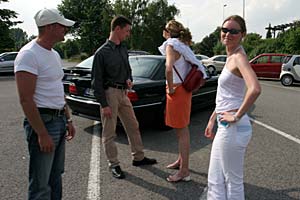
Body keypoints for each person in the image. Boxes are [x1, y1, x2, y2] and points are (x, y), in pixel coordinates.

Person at [14, 8, 76, 200]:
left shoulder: (54, 54)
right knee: (40, 185)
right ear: (50, 27)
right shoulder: (28, 55)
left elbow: (57, 89)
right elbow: (26, 99)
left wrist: (69, 119)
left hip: (57, 120)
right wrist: (41, 133)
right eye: (62, 25)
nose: (66, 29)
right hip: (44, 122)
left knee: (55, 177)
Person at [91, 15, 157, 179]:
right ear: (117, 29)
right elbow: (96, 81)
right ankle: (114, 164)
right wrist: (104, 104)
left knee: (133, 125)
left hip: (123, 93)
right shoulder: (102, 53)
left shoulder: (122, 48)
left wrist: (130, 80)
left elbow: (128, 70)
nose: (128, 34)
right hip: (110, 94)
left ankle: (139, 157)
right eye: (127, 31)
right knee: (109, 132)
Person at [204, 15, 261, 199]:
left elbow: (255, 89)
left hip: (233, 128)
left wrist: (235, 116)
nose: (228, 34)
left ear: (242, 34)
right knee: (215, 179)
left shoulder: (238, 58)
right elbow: (226, 97)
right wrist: (213, 119)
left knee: (232, 181)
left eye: (234, 31)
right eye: (225, 30)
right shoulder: (230, 57)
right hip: (225, 126)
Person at [158, 20, 207, 182]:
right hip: (184, 91)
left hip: (177, 91)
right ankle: (181, 161)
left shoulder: (171, 45)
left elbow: (168, 68)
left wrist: (171, 88)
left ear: (168, 32)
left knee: (181, 132)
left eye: (164, 29)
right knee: (181, 130)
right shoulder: (182, 45)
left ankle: (184, 171)